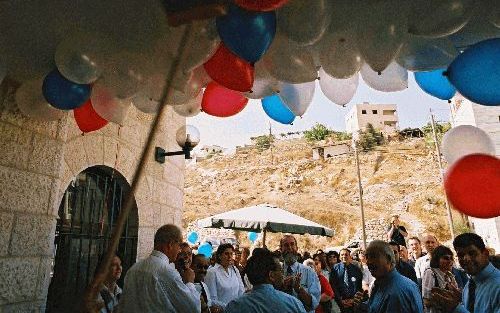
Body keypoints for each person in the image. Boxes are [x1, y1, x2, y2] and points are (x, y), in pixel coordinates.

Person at [120, 224, 200, 313]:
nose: (179, 250)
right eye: (179, 246)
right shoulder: (167, 272)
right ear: (170, 244)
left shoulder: (134, 269)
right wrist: (190, 282)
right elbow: (193, 308)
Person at [431, 233, 500, 313]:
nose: (466, 258)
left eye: (472, 253)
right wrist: (461, 301)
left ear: (485, 253)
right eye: (461, 255)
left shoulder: (497, 285)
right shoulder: (469, 287)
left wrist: (456, 308)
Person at [225, 248, 307, 313]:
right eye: (281, 270)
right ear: (271, 275)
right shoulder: (293, 304)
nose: (283, 275)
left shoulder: (234, 306)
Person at [353, 240, 424, 313]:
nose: (369, 262)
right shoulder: (380, 283)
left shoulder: (395, 293)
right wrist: (361, 306)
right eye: (367, 257)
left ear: (388, 259)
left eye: (374, 257)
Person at [280, 235, 321, 313]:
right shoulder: (276, 272)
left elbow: (314, 304)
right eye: (286, 245)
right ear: (281, 249)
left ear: (297, 248)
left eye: (292, 244)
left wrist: (299, 289)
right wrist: (282, 287)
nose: (290, 248)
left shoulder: (309, 272)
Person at [204, 243, 245, 310]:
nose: (229, 257)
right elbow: (212, 299)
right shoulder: (212, 272)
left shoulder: (235, 270)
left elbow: (241, 291)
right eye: (226, 254)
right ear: (219, 256)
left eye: (231, 254)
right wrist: (230, 307)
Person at [422, 245, 458, 313]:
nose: (450, 261)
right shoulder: (430, 272)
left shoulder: (450, 276)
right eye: (446, 258)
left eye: (451, 258)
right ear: (437, 259)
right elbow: (426, 301)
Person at [329, 248, 363, 313]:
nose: (344, 256)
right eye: (342, 255)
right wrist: (340, 300)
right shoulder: (335, 269)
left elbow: (359, 286)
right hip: (340, 303)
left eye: (346, 255)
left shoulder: (356, 270)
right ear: (339, 257)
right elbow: (333, 286)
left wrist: (353, 300)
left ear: (350, 256)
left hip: (354, 303)